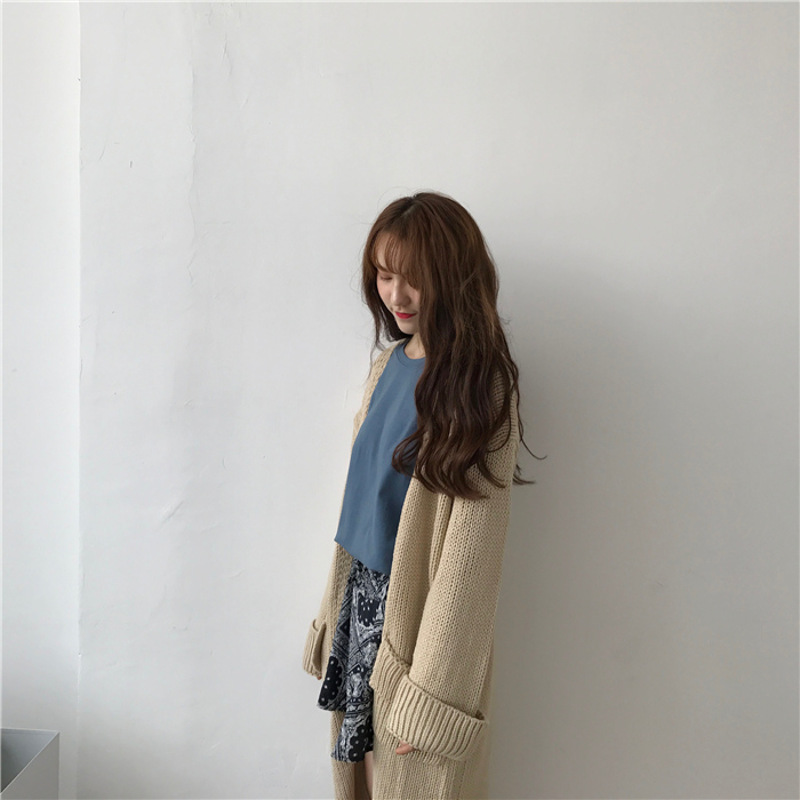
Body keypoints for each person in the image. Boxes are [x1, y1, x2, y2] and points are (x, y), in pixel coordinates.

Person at [302, 191, 533, 799]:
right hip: (361, 606)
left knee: (409, 786)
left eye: (415, 278)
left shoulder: (479, 388)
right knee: (364, 783)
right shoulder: (387, 367)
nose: (397, 295)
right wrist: (333, 611)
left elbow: (471, 560)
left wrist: (434, 692)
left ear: (454, 278)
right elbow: (360, 507)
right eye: (384, 275)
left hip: (416, 626)